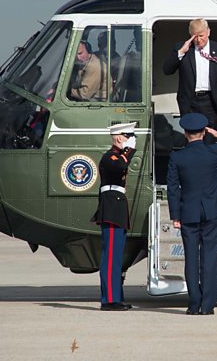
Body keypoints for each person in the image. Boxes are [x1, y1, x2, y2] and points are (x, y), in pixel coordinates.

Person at [166, 113, 217, 315]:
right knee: (210, 258)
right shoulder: (215, 152)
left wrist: (175, 215)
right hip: (211, 212)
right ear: (204, 132)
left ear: (185, 134)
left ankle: (194, 303)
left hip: (188, 213)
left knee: (191, 259)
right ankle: (207, 305)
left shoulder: (177, 157)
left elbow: (173, 188)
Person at [163, 18, 217, 142]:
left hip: (212, 102)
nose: (199, 40)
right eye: (195, 37)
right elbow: (167, 70)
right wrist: (180, 53)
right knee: (193, 142)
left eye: (201, 36)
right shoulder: (182, 48)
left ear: (208, 32)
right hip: (190, 102)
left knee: (212, 141)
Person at [91, 122, 137, 311]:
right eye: (128, 136)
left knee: (116, 257)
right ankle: (109, 300)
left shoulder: (117, 155)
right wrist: (130, 151)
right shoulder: (110, 157)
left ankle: (115, 297)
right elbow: (119, 166)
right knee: (110, 257)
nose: (131, 140)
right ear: (119, 137)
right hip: (111, 208)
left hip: (116, 208)